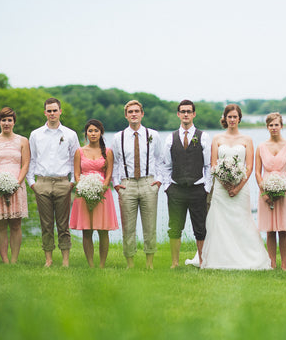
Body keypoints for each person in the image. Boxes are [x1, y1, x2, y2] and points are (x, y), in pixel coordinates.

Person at [200, 104, 271, 270]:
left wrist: (237, 187)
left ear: (239, 118)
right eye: (229, 117)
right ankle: (220, 258)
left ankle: (247, 257)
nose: (232, 120)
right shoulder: (217, 138)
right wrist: (225, 184)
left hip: (241, 188)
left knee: (242, 221)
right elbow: (213, 164)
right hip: (220, 189)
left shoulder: (247, 140)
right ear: (225, 118)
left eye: (235, 117)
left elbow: (249, 167)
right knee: (220, 222)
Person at [27, 98, 80, 267]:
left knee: (63, 224)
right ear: (45, 113)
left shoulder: (70, 134)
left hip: (63, 182)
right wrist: (31, 182)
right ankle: (48, 259)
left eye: (54, 110)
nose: (52, 114)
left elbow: (75, 160)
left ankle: (65, 260)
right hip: (42, 183)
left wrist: (72, 182)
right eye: (49, 111)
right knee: (46, 224)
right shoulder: (36, 134)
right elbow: (32, 159)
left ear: (60, 111)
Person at [112, 100, 163, 269]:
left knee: (150, 225)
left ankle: (150, 263)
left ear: (142, 114)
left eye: (137, 111)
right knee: (128, 227)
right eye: (130, 112)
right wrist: (116, 184)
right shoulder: (118, 137)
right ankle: (130, 263)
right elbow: (114, 162)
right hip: (127, 185)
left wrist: (159, 181)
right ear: (126, 115)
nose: (133, 114)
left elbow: (159, 159)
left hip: (148, 182)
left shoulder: (153, 134)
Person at [162, 100, 211, 268]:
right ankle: (175, 263)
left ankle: (203, 262)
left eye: (189, 111)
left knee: (200, 227)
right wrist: (167, 187)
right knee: (174, 227)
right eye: (182, 111)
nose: (185, 114)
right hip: (176, 189)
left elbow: (208, 165)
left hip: (198, 188)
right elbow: (166, 165)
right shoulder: (170, 138)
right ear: (178, 114)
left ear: (194, 114)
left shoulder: (203, 136)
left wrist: (206, 188)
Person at [70, 119, 119, 268]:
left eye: (96, 131)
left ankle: (102, 264)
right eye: (90, 131)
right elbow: (77, 174)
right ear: (86, 134)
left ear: (101, 133)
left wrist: (101, 189)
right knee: (87, 231)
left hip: (102, 194)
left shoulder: (108, 152)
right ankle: (91, 264)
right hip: (84, 194)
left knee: (103, 231)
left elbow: (109, 174)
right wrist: (84, 189)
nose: (93, 134)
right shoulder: (79, 151)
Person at [0, 107, 30, 264]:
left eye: (9, 120)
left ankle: (14, 260)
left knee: (16, 224)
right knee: (1, 225)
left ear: (14, 122)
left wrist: (17, 184)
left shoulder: (23, 141)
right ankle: (5, 260)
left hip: (17, 186)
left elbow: (25, 164)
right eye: (3, 120)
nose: (6, 123)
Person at [255, 112, 286, 271]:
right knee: (270, 230)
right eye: (271, 125)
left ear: (281, 126)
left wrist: (283, 187)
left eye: (276, 125)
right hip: (265, 190)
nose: (274, 128)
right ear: (267, 127)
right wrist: (264, 191)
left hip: (285, 191)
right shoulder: (261, 147)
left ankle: (284, 265)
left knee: (283, 229)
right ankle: (272, 263)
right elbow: (257, 173)